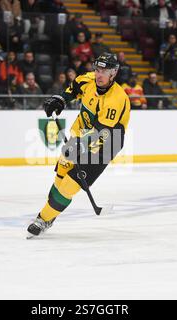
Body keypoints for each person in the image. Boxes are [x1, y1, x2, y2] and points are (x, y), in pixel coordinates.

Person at [27, 52, 131, 237]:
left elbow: (102, 131)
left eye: (104, 71)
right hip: (82, 132)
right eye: (97, 69)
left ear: (113, 73)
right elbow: (73, 89)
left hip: (107, 144)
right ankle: (51, 213)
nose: (99, 74)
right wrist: (60, 100)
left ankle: (43, 218)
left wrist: (80, 145)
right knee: (62, 171)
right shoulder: (88, 80)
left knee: (69, 184)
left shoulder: (117, 98)